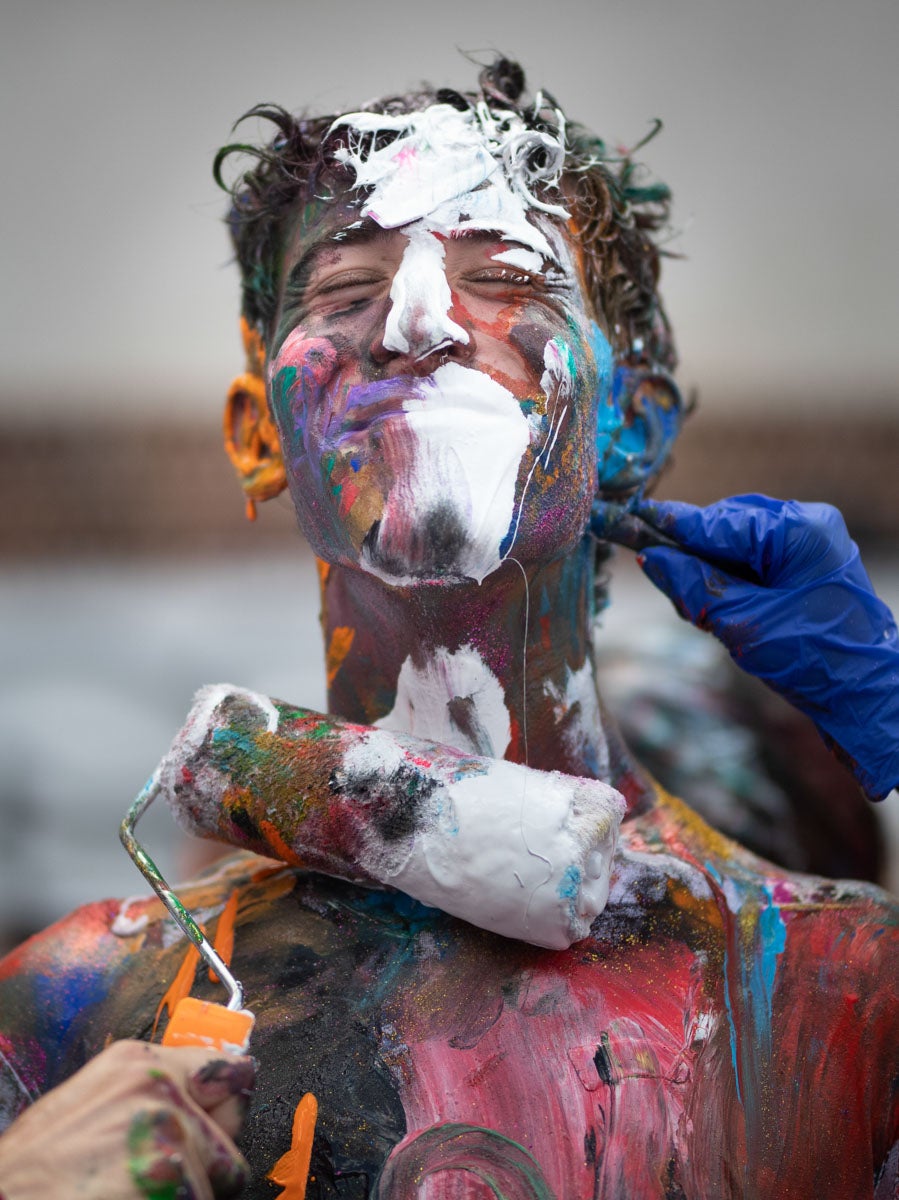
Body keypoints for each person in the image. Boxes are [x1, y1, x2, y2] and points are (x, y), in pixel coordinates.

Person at [0, 56, 897, 1200]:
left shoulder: (836, 995)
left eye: (506, 277)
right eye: (342, 293)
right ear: (256, 434)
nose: (416, 324)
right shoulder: (77, 1011)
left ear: (628, 427)